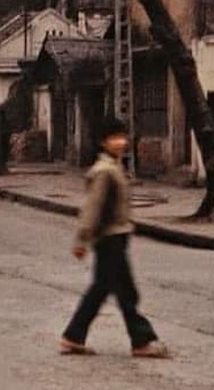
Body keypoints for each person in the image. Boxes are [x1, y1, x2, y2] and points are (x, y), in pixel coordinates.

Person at [60, 117, 170, 359]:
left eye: (123, 137)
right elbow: (92, 207)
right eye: (115, 138)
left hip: (117, 236)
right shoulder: (104, 172)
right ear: (103, 142)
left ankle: (74, 335)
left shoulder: (114, 167)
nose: (121, 142)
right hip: (110, 239)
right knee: (116, 291)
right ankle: (141, 340)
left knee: (113, 290)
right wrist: (82, 240)